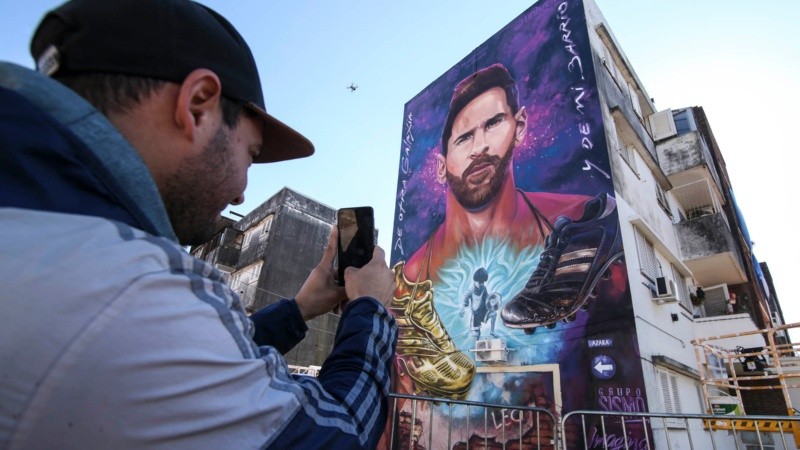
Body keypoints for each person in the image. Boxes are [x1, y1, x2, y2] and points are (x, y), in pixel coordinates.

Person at [0, 1, 396, 449]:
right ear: (197, 105)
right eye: (251, 153)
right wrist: (370, 309)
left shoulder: (49, 233)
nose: (242, 193)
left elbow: (188, 365)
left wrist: (299, 308)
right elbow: (332, 437)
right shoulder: (129, 289)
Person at [390, 63, 621, 400]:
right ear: (441, 166)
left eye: (494, 123)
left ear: (520, 126)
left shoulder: (578, 218)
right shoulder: (412, 275)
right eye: (464, 137)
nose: (479, 147)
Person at [460, 267, 501, 340]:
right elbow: (466, 297)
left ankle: (492, 331)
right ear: (476, 280)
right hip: (476, 315)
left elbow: (488, 298)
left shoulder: (483, 288)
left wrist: (492, 301)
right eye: (480, 282)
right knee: (477, 335)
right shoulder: (472, 289)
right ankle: (472, 334)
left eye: (482, 282)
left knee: (494, 314)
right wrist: (463, 308)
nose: (481, 284)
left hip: (483, 311)